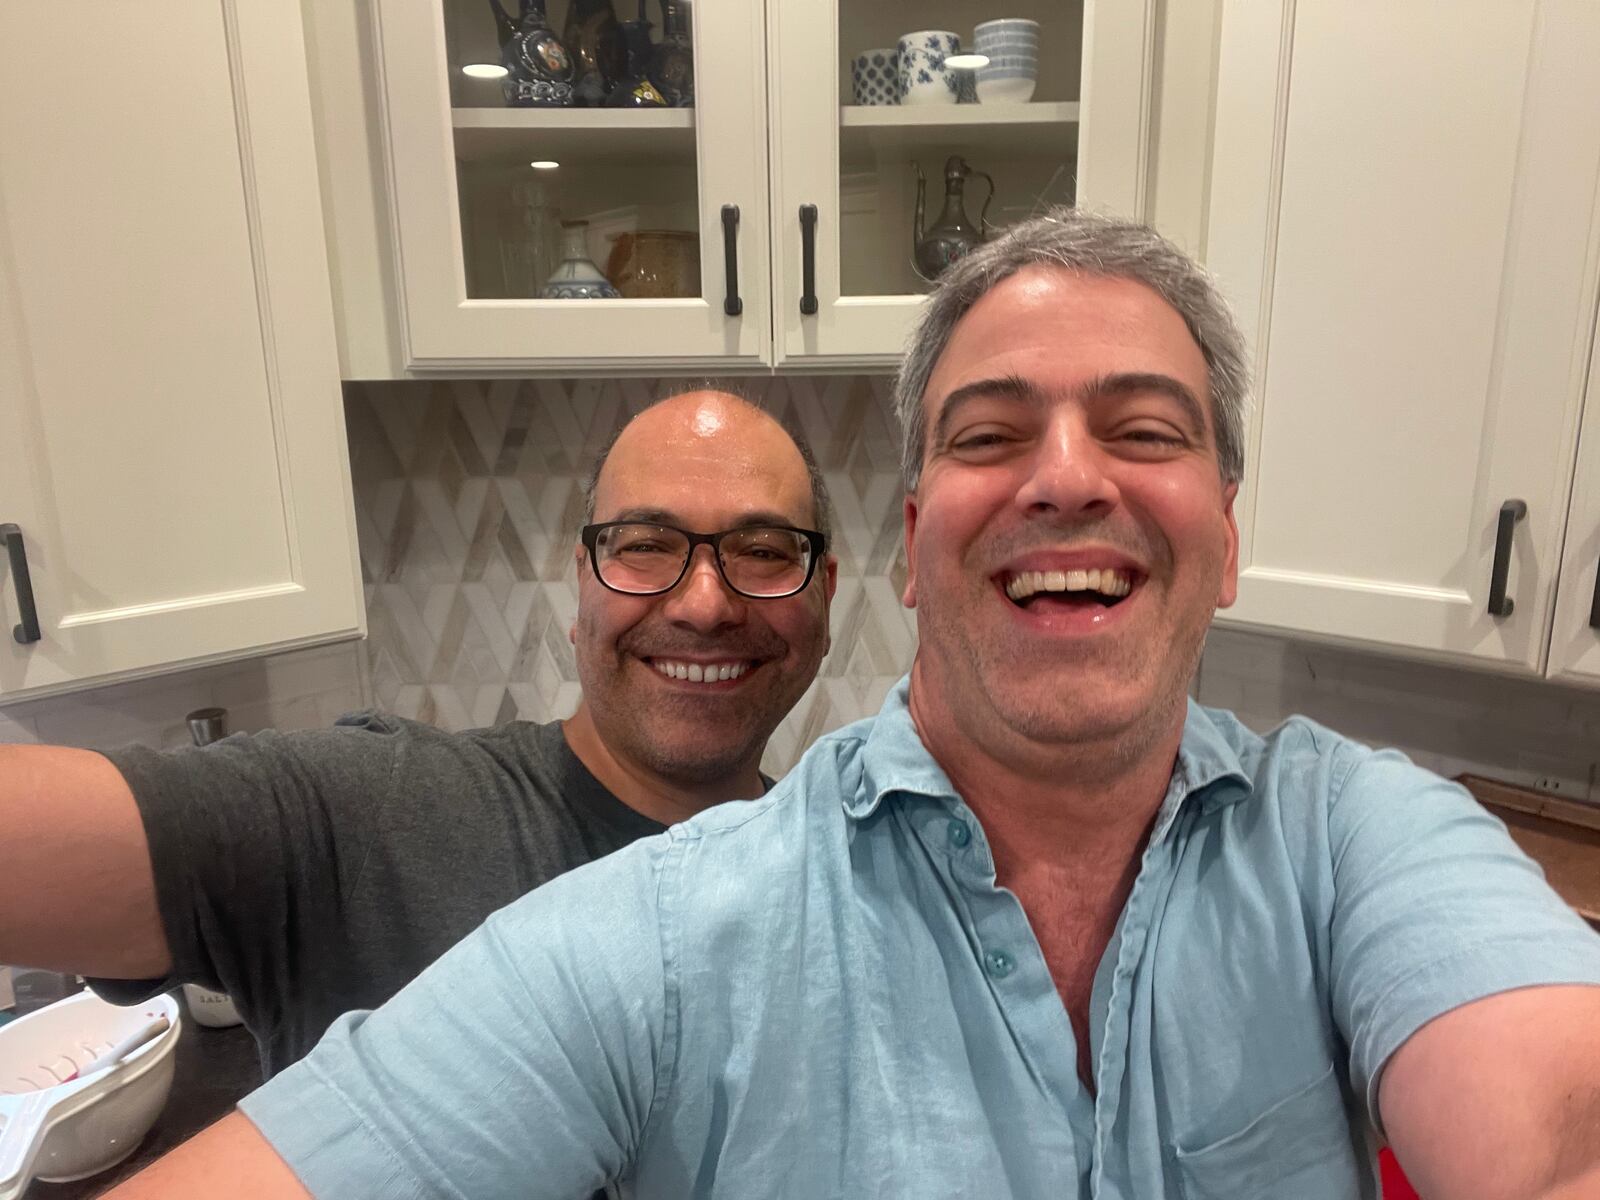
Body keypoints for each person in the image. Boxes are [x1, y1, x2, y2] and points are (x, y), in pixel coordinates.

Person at [109, 210, 1600, 1200]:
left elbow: (1553, 1133)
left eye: (1143, 429)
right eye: (990, 433)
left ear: (1224, 531)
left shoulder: (1359, 841)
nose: (1064, 475)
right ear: (914, 540)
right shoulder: (670, 939)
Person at [0, 389, 836, 1076]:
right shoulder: (361, 819)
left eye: (765, 551)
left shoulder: (847, 880)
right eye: (645, 545)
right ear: (583, 584)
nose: (704, 604)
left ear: (825, 594)